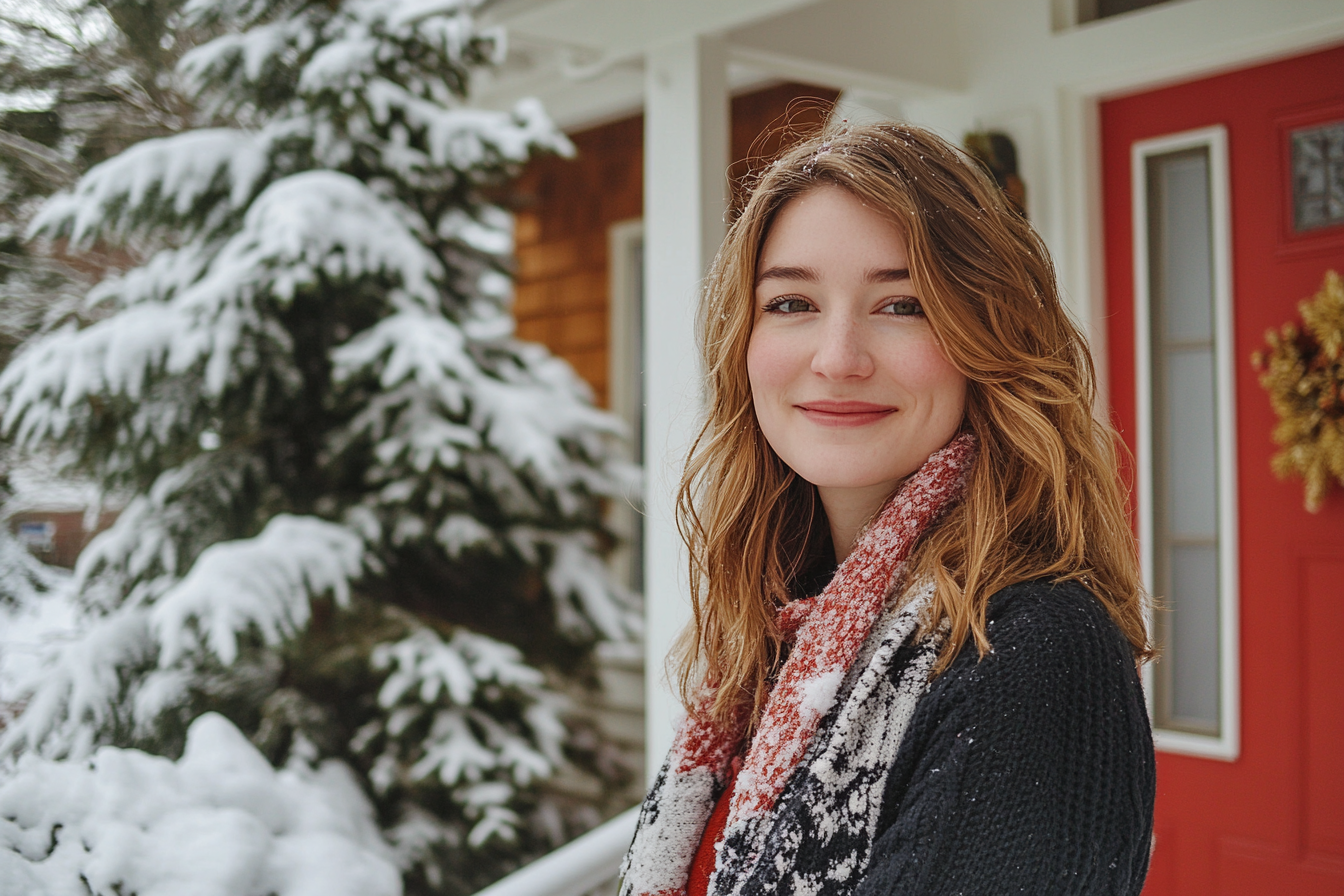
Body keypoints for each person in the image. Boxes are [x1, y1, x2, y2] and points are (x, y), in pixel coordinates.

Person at [619, 121, 1156, 896]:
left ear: (989, 335)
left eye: (902, 304)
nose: (838, 357)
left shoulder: (1029, 653)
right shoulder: (773, 637)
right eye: (793, 301)